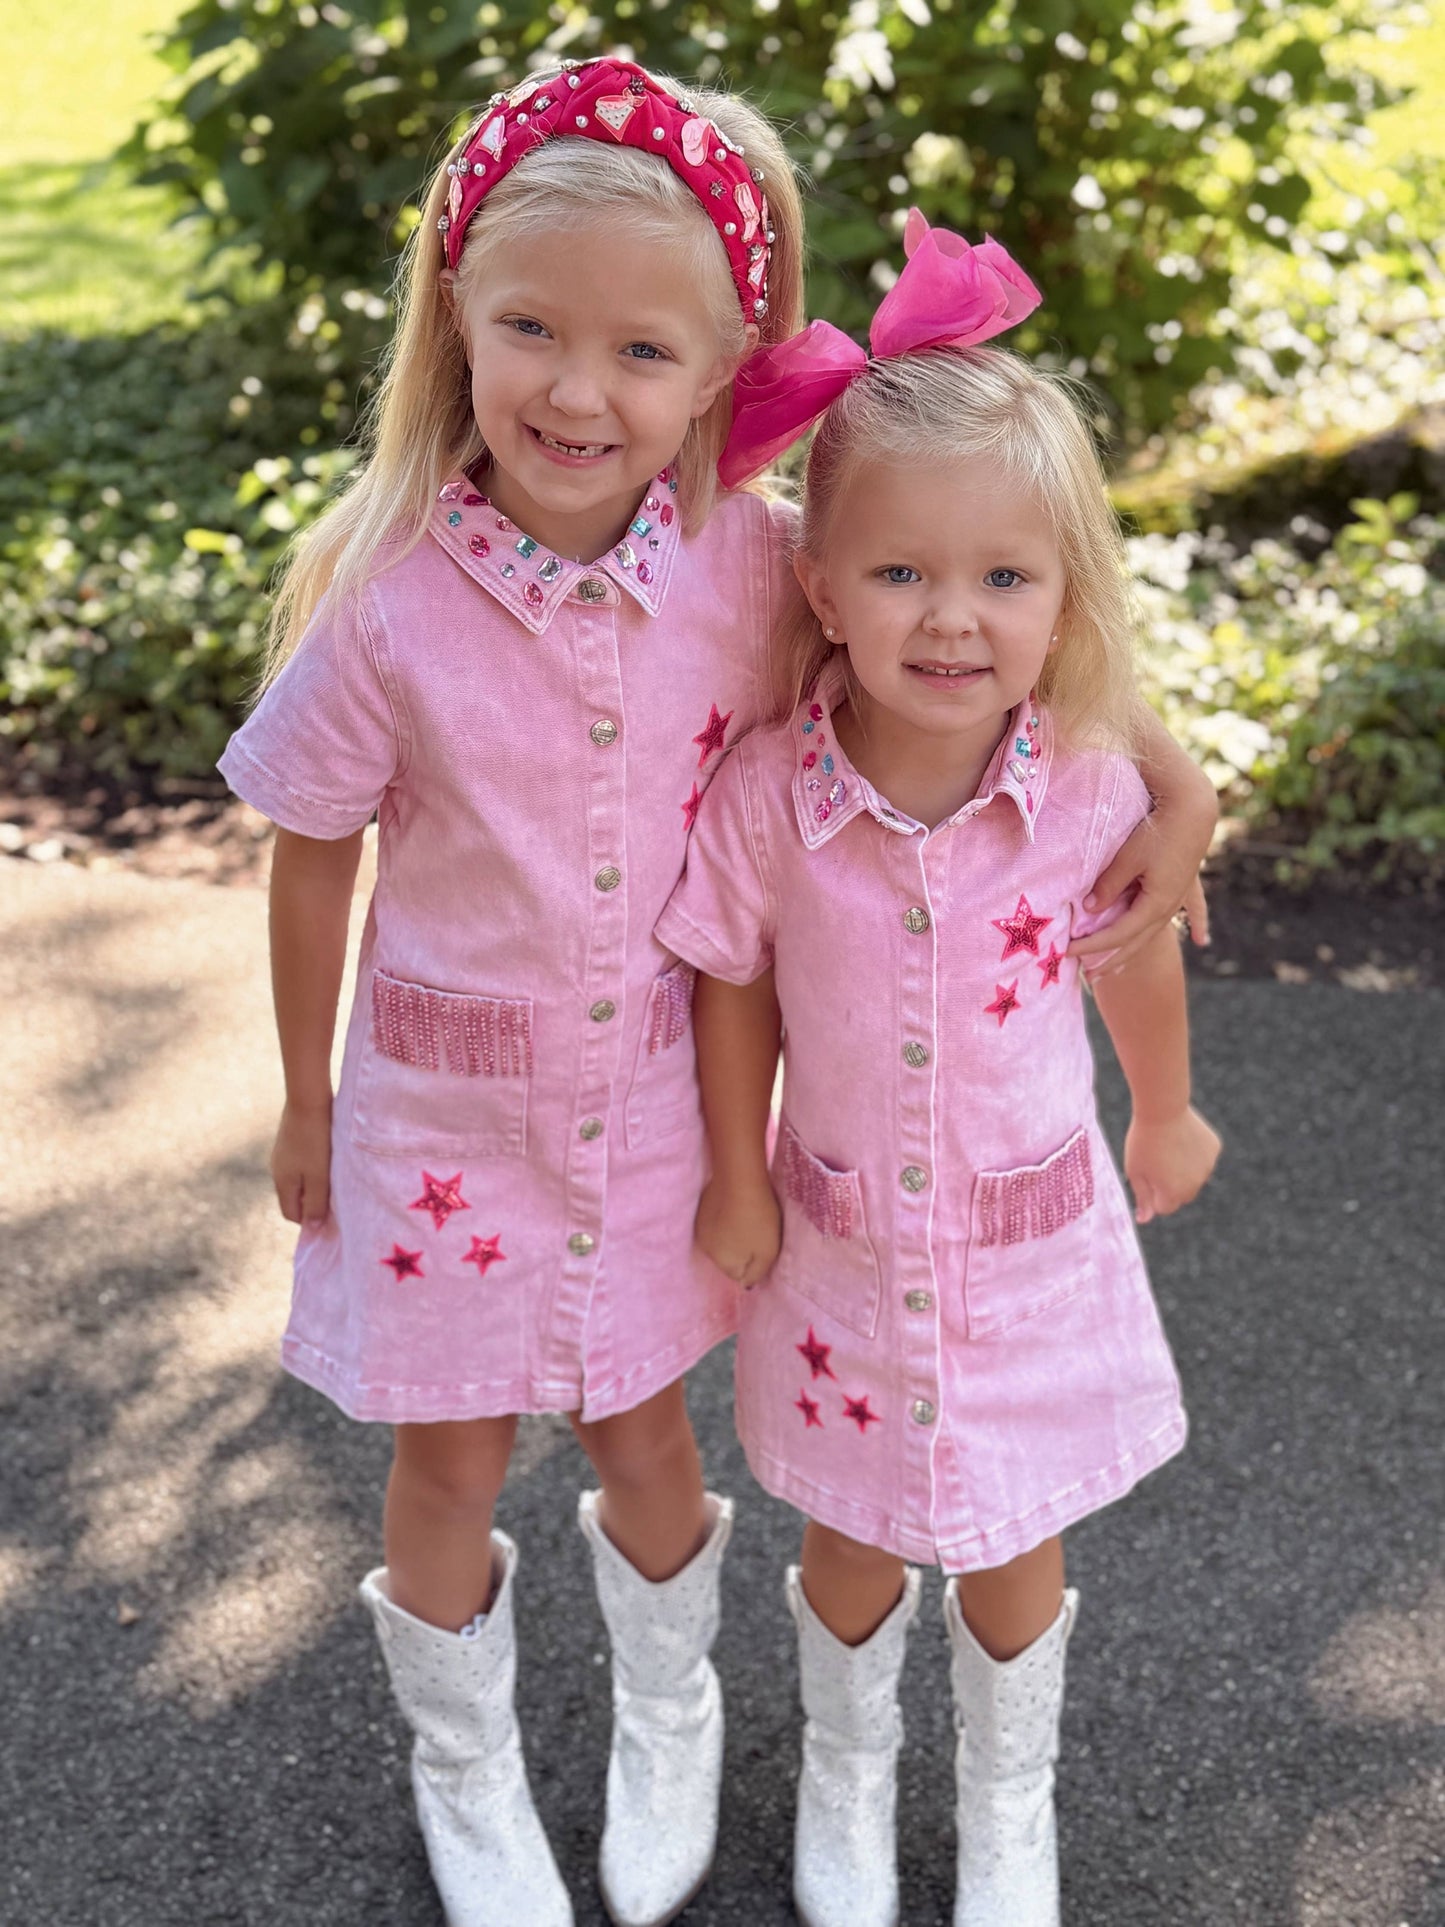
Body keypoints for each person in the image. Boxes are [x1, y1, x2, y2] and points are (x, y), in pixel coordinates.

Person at [216, 47, 1213, 1921]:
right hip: (450, 1118)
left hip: (665, 1112)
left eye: (643, 354)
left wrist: (1165, 765)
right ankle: (468, 1766)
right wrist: (301, 1095)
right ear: (458, 313)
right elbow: (312, 846)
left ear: (719, 362)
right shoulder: (389, 599)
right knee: (446, 1451)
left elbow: (975, 617)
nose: (578, 392)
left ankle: (664, 1719)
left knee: (646, 1424)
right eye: (530, 329)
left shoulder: (752, 571)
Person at [656, 215, 1223, 1927]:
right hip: (833, 1246)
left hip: (1028, 1243)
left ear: (1061, 603)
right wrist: (737, 1172)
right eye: (900, 574)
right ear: (821, 588)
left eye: (1001, 579)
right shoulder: (770, 794)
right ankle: (843, 1779)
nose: (951, 620)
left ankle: (1007, 1801)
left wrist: (1170, 1106)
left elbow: (1129, 954)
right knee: (844, 1524)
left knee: (1008, 1532)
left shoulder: (1084, 794)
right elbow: (731, 985)